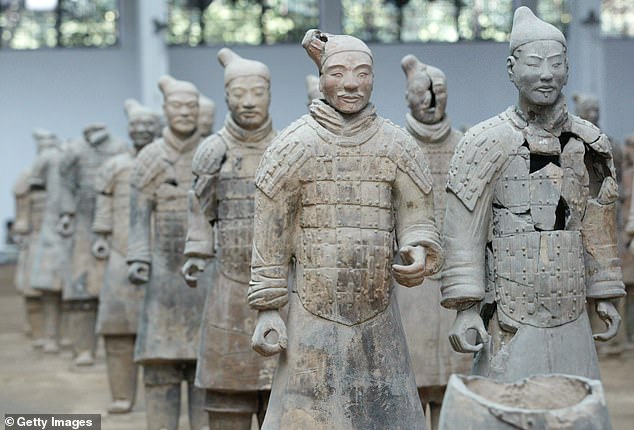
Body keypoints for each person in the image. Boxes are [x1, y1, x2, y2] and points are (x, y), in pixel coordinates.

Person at [247, 29, 443, 429]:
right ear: (321, 78)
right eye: (337, 72)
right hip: (310, 312)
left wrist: (418, 248)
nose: (351, 83)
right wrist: (268, 310)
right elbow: (272, 234)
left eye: (362, 72)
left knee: (385, 416)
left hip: (379, 313)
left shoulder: (396, 144)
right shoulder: (293, 146)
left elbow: (417, 213)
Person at [442, 7, 625, 382]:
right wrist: (465, 307)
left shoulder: (587, 141)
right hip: (509, 310)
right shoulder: (484, 141)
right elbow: (464, 233)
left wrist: (603, 290)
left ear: (567, 69)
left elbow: (597, 224)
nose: (546, 74)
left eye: (556, 64)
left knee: (574, 408)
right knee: (508, 408)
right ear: (511, 69)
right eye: (535, 63)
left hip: (571, 306)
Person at [182, 48, 278, 430]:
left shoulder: (288, 146)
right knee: (227, 388)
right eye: (239, 94)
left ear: (270, 94)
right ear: (226, 97)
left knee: (282, 393)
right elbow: (200, 209)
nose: (249, 102)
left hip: (281, 287)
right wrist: (196, 251)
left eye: (257, 92)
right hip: (228, 285)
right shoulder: (213, 151)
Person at [127, 76, 207, 430]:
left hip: (206, 271)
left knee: (205, 363)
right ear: (165, 111)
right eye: (178, 106)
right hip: (162, 269)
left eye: (192, 106)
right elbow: (137, 215)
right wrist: (139, 257)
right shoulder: (149, 158)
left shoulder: (212, 152)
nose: (186, 113)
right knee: (160, 362)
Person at [397, 55, 470, 429]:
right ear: (407, 98)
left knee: (453, 381)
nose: (429, 99)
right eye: (421, 92)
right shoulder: (394, 145)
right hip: (408, 284)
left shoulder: (467, 145)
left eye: (438, 92)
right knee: (409, 380)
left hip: (457, 279)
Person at [92, 99, 160, 413]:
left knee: (159, 331)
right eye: (137, 125)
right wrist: (102, 236)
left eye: (148, 125)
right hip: (120, 253)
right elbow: (104, 204)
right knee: (118, 327)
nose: (142, 130)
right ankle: (121, 394)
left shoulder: (165, 162)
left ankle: (158, 398)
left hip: (161, 254)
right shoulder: (115, 166)